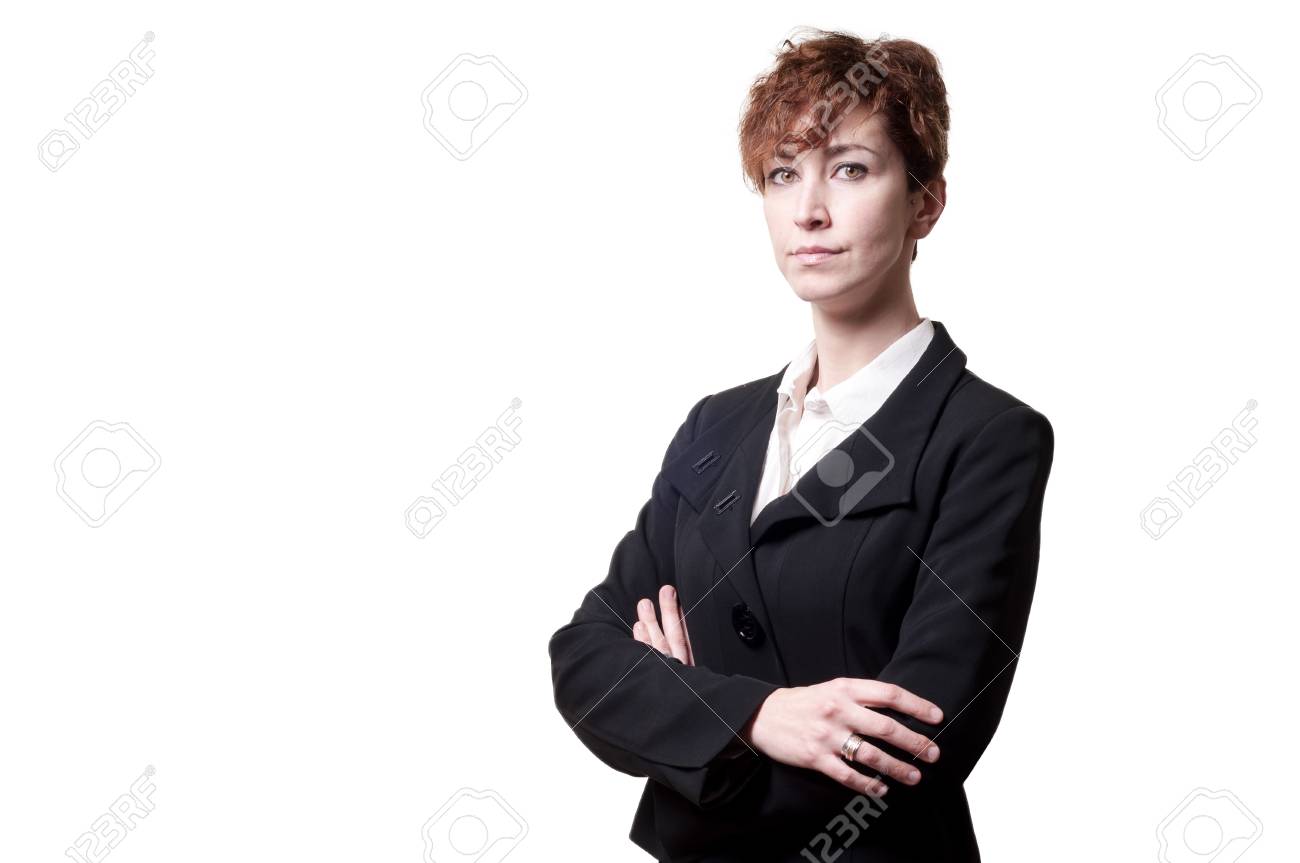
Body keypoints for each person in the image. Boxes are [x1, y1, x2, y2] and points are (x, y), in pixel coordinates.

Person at [548, 27, 1055, 862]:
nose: (808, 208)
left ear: (925, 200)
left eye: (850, 169)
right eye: (784, 174)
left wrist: (684, 705)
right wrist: (760, 716)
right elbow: (585, 661)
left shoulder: (988, 438)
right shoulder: (718, 426)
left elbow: (911, 746)